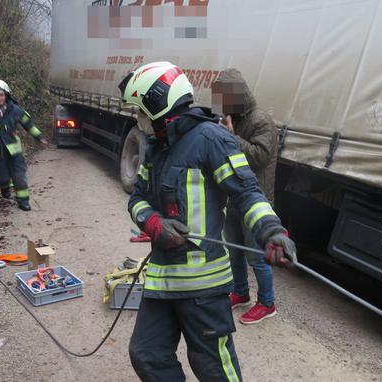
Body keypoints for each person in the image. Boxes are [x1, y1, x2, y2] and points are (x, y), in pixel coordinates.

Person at [122, 62, 296, 382]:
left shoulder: (212, 139)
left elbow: (247, 193)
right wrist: (153, 223)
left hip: (202, 287)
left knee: (213, 368)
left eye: (141, 110)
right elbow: (137, 199)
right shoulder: (157, 148)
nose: (139, 119)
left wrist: (271, 232)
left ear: (160, 103)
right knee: (147, 355)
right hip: (162, 280)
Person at [211, 68, 279, 324]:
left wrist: (230, 137)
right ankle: (240, 293)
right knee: (234, 252)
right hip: (233, 197)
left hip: (255, 201)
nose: (221, 102)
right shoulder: (232, 117)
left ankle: (267, 303)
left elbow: (259, 157)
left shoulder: (261, 120)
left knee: (256, 256)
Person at [0, 79, 47, 211]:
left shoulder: (15, 109)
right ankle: (4, 188)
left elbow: (28, 125)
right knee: (2, 177)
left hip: (15, 150)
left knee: (19, 176)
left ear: (6, 95)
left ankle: (23, 201)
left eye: (1, 95)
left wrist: (39, 137)